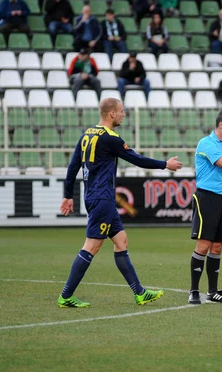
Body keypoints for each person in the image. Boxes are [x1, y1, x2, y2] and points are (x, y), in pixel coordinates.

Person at [57, 97, 182, 308]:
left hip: (94, 196)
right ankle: (66, 295)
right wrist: (165, 164)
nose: (124, 115)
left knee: (121, 240)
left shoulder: (87, 134)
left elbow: (72, 167)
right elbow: (137, 159)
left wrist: (68, 195)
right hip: (102, 198)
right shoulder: (110, 138)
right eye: (122, 111)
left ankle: (139, 293)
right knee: (92, 246)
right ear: (112, 114)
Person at [188, 109, 222, 305]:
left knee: (218, 246)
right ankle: (194, 290)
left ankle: (213, 291)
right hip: (206, 198)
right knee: (203, 244)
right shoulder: (206, 143)